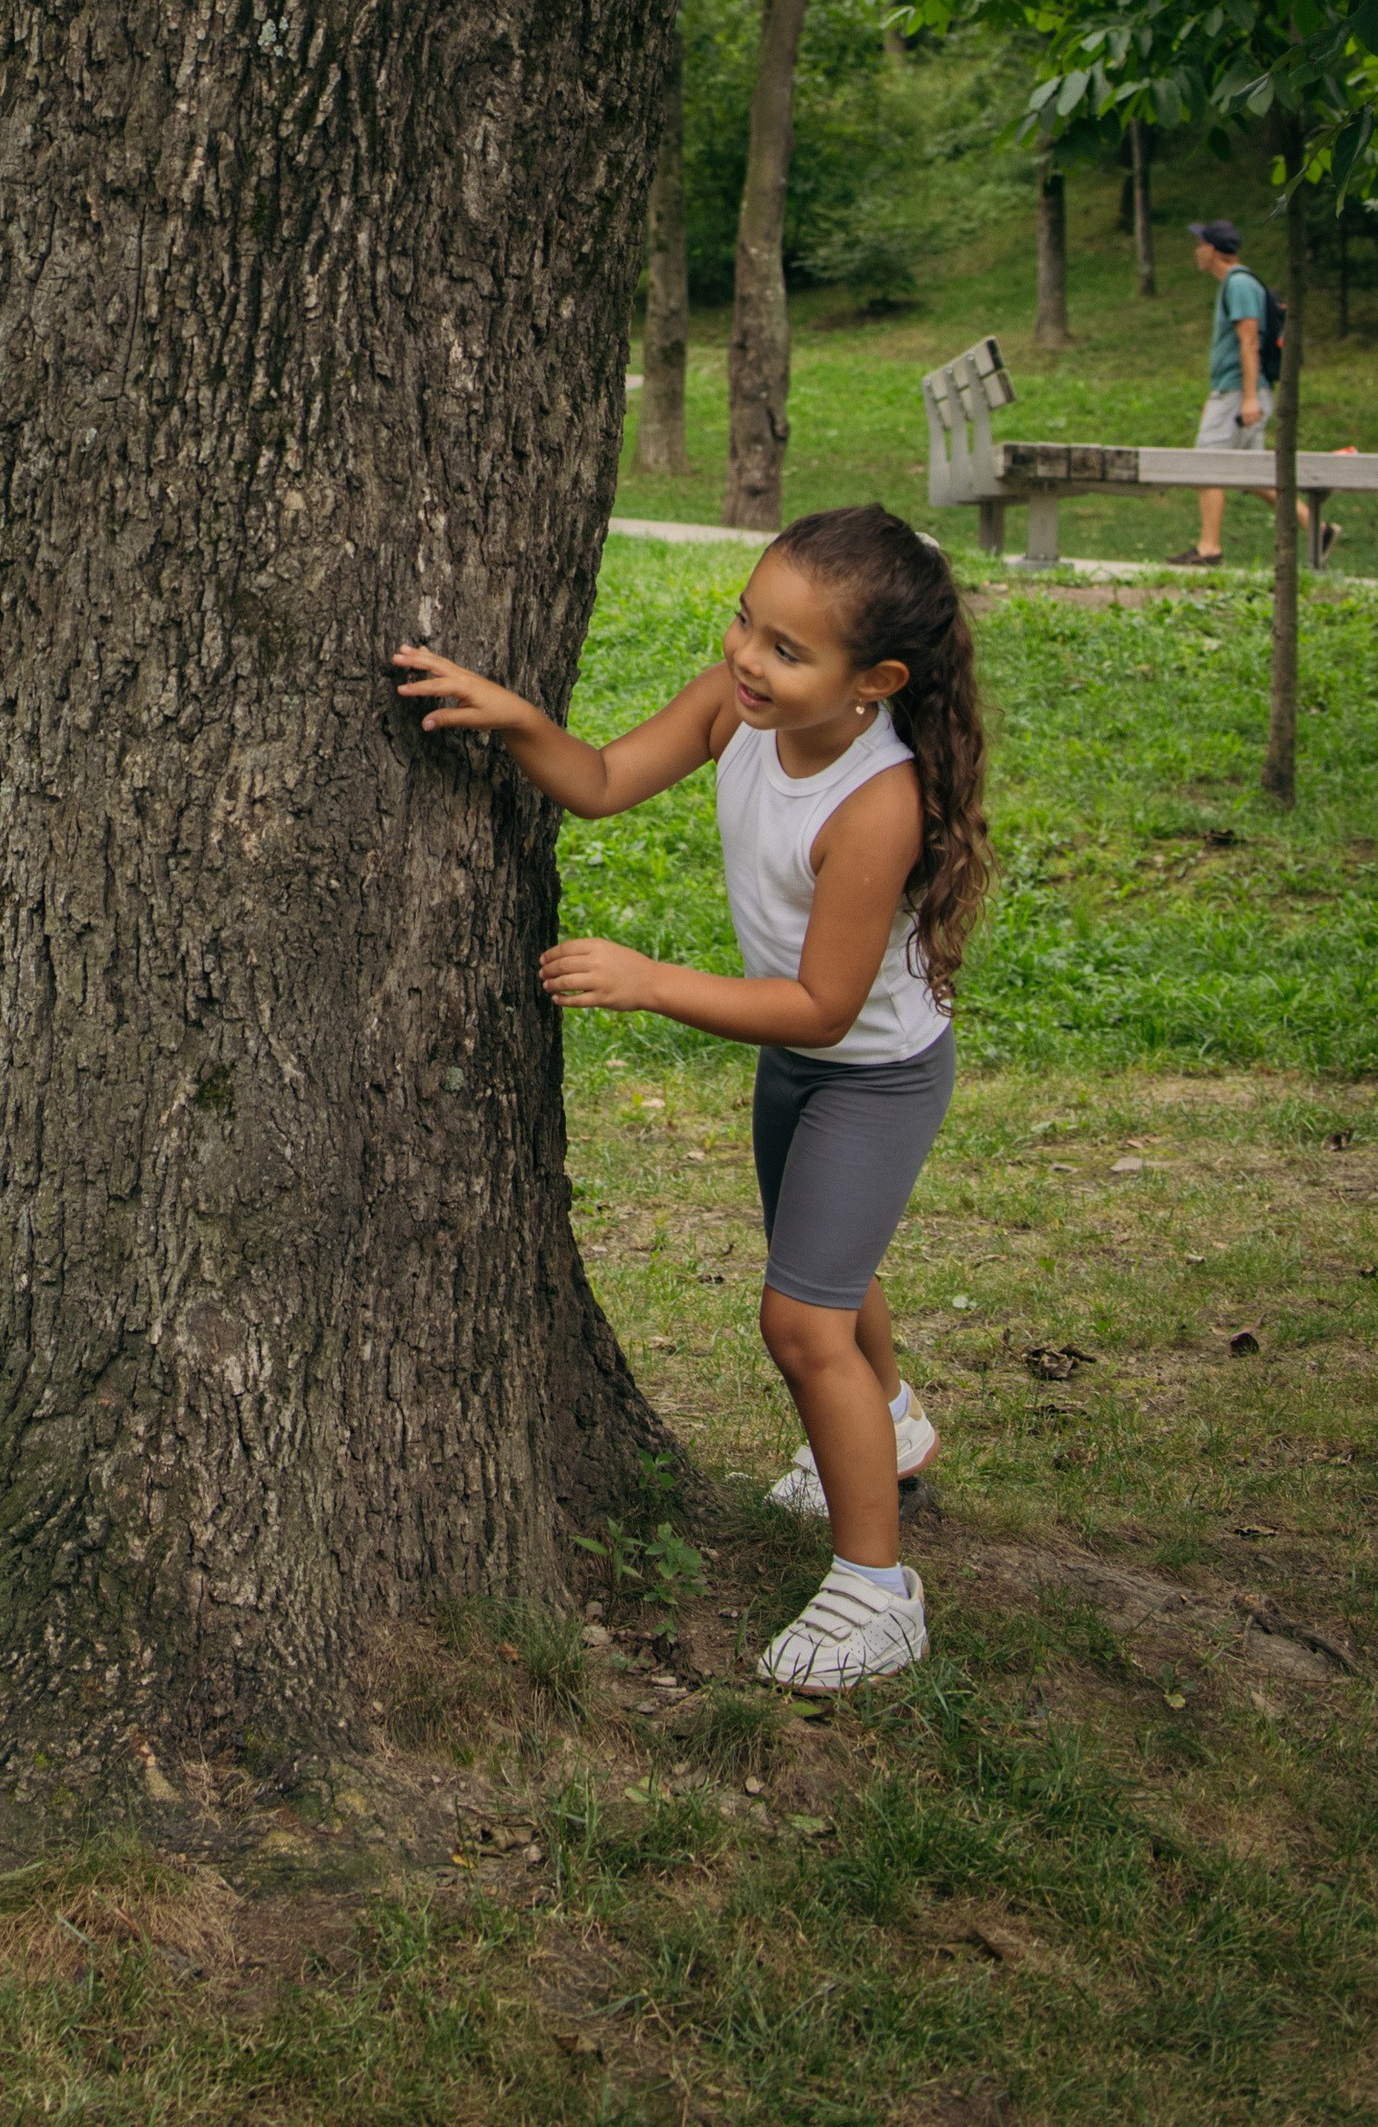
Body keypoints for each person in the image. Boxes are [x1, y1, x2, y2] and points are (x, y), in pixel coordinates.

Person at [393, 505, 991, 1693]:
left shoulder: (876, 803)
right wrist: (519, 720)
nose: (744, 658)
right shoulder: (736, 710)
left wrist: (652, 983)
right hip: (808, 1060)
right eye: (744, 622)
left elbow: (824, 1006)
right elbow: (606, 780)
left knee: (800, 1323)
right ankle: (895, 1425)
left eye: (786, 649)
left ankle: (877, 1589)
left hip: (869, 1072)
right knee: (829, 1267)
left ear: (873, 681)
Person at [1169, 218, 1328, 568]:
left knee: (1206, 465)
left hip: (1237, 394)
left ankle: (1209, 549)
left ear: (1212, 250)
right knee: (1252, 475)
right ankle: (1319, 528)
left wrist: (1249, 397)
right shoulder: (1240, 282)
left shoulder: (1238, 284)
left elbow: (1249, 340)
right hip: (1241, 392)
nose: (1196, 252)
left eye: (1200, 245)